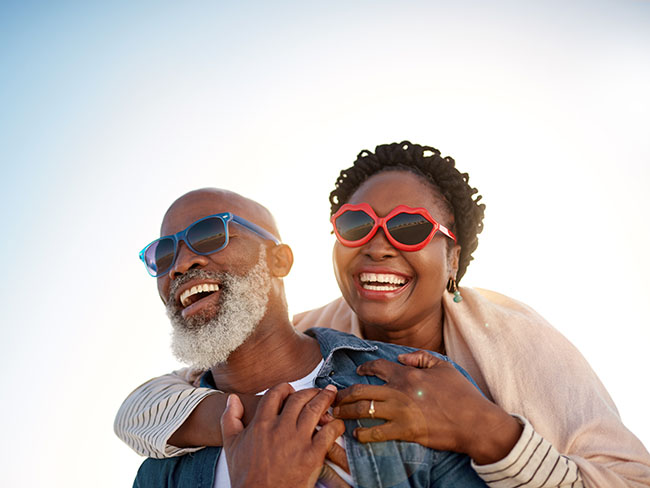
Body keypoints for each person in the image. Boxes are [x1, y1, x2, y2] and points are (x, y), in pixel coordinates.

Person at [117, 142, 650, 487]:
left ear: (453, 260)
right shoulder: (303, 335)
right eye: (355, 226)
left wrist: (487, 432)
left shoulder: (513, 342)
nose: (378, 246)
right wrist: (256, 419)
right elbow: (148, 405)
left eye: (410, 228)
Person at [130, 187, 490, 488]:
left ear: (279, 260)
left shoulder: (413, 384)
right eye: (163, 255)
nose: (179, 264)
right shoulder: (160, 471)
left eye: (209, 235)